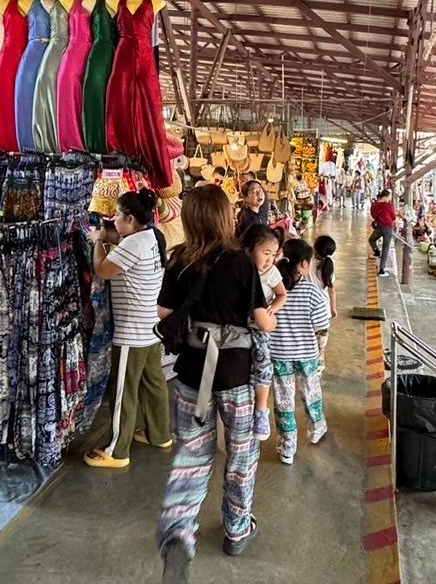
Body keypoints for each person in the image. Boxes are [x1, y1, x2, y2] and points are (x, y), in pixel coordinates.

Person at [157, 186, 274, 581]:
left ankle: (179, 533)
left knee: (191, 457)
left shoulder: (179, 260)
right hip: (236, 377)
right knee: (240, 456)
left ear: (190, 219)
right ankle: (237, 529)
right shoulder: (241, 262)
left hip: (193, 374)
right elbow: (262, 321)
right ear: (226, 217)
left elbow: (164, 313)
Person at [84, 189, 170, 469]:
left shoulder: (133, 245)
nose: (114, 220)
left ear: (130, 219)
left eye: (118, 216)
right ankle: (160, 434)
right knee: (153, 383)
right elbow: (122, 243)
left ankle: (117, 451)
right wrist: (108, 235)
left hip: (131, 332)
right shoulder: (152, 236)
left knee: (123, 391)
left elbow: (102, 270)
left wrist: (98, 241)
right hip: (150, 327)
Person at [268, 239, 331, 465]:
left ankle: (287, 448)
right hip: (306, 355)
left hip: (278, 355)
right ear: (304, 264)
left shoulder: (272, 290)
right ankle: (316, 430)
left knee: (283, 402)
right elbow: (322, 326)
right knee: (311, 394)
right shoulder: (313, 292)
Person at [241, 225, 287, 442]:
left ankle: (261, 411)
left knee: (263, 363)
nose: (270, 259)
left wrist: (272, 310)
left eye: (273, 254)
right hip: (238, 326)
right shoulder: (239, 268)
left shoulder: (271, 272)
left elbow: (282, 294)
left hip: (259, 327)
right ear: (249, 249)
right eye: (265, 253)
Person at [311, 235, 338, 370]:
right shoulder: (329, 266)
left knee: (309, 338)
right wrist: (333, 309)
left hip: (310, 308)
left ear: (314, 248)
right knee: (321, 340)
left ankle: (309, 362)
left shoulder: (307, 263)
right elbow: (331, 290)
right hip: (324, 310)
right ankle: (320, 362)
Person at [369, 190, 398, 277]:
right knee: (386, 248)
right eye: (388, 197)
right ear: (385, 197)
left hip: (379, 227)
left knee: (371, 240)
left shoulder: (374, 205)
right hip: (388, 228)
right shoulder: (388, 206)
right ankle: (381, 270)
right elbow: (393, 217)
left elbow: (373, 215)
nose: (389, 199)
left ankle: (376, 252)